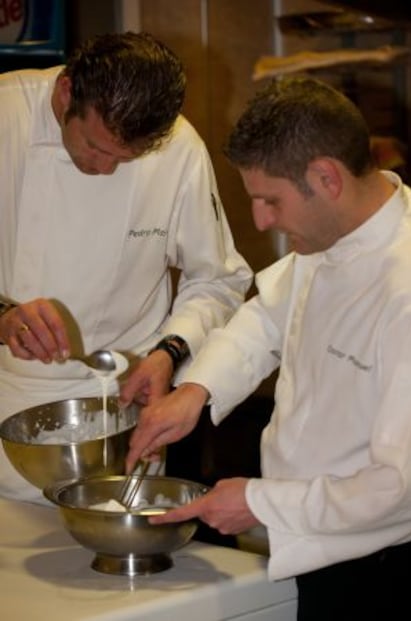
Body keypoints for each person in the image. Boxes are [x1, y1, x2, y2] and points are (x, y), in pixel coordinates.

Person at [125, 76, 411, 619]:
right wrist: (196, 389)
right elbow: (267, 316)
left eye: (269, 201)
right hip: (313, 537)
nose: (260, 222)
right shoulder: (335, 235)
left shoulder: (407, 292)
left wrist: (258, 501)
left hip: (382, 568)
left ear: (326, 177)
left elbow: (400, 488)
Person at [0, 31, 252, 503]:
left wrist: (169, 352)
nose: (106, 170)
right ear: (66, 91)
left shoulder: (181, 148)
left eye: (126, 158)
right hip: (6, 403)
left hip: (121, 412)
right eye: (96, 147)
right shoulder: (5, 113)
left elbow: (217, 279)